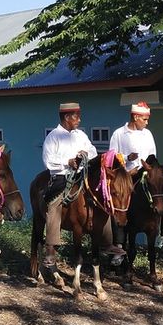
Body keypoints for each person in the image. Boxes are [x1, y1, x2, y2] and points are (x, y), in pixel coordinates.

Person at [42, 102, 108, 267]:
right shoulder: (53, 136)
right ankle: (51, 246)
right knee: (55, 203)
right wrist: (68, 161)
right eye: (76, 116)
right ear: (66, 117)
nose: (79, 119)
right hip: (61, 176)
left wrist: (86, 153)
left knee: (103, 196)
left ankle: (108, 241)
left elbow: (92, 150)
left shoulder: (81, 135)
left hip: (82, 174)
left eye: (79, 116)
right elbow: (48, 161)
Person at [109, 102, 163, 261]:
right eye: (145, 119)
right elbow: (112, 158)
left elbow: (152, 156)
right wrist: (126, 159)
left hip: (146, 173)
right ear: (135, 117)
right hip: (127, 175)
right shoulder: (119, 134)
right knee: (120, 203)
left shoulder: (147, 134)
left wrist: (153, 170)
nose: (147, 122)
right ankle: (118, 245)